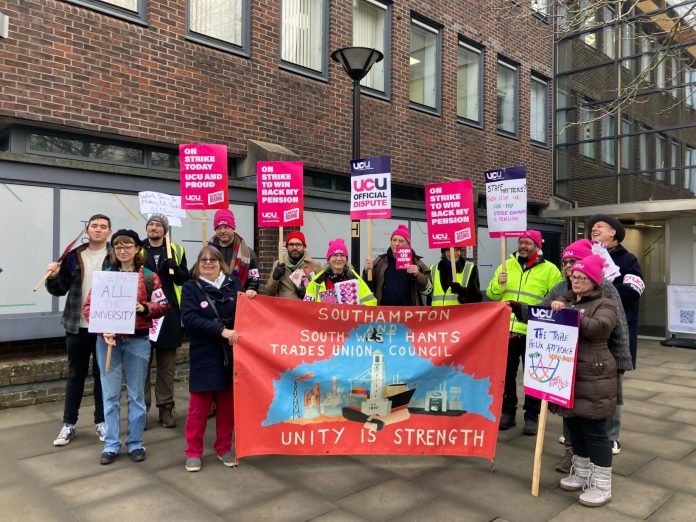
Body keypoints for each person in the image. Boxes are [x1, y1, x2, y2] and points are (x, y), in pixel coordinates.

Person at [511, 239, 632, 473]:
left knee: (593, 416)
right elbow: (542, 313)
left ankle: (597, 463)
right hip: (566, 362)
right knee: (571, 414)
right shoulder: (560, 289)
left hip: (595, 364)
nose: (568, 267)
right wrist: (520, 309)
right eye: (565, 262)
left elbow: (619, 328)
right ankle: (573, 454)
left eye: (574, 262)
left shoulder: (605, 288)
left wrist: (621, 361)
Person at [83, 229, 170, 465]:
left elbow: (163, 306)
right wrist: (102, 329)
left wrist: (143, 308)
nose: (122, 250)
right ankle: (111, 444)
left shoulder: (150, 277)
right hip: (108, 342)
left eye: (127, 246)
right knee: (110, 396)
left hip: (138, 341)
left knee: (136, 396)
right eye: (118, 246)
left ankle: (135, 443)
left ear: (137, 249)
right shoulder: (105, 276)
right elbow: (89, 307)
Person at [550, 254, 619, 508]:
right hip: (568, 372)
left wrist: (568, 313)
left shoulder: (606, 304)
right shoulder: (563, 300)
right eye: (573, 276)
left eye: (582, 277)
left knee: (596, 431)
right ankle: (581, 472)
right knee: (575, 426)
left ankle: (602, 485)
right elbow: (542, 317)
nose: (575, 280)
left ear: (594, 280)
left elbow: (599, 328)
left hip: (594, 373)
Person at [180, 246, 257, 472]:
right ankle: (193, 452)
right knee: (198, 408)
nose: (208, 263)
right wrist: (220, 331)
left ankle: (224, 447)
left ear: (220, 262)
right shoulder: (191, 287)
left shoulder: (233, 284)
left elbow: (246, 313)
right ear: (198, 263)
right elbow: (190, 319)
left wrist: (250, 298)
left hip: (232, 355)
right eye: (203, 259)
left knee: (227, 407)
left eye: (212, 259)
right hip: (205, 354)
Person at [486, 230, 563, 435]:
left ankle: (531, 416)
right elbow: (493, 295)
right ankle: (508, 413)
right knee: (507, 375)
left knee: (534, 376)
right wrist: (497, 283)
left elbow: (557, 298)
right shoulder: (506, 264)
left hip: (534, 331)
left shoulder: (551, 270)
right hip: (507, 330)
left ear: (537, 246)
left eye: (528, 243)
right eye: (521, 242)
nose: (523, 246)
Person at [45, 214, 112, 446]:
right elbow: (59, 290)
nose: (98, 230)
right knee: (75, 375)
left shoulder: (115, 255)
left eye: (103, 227)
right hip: (77, 325)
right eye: (94, 226)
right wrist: (52, 277)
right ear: (88, 229)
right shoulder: (73, 256)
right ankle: (68, 424)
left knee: (103, 376)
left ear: (109, 232)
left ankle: (101, 422)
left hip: (105, 328)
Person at [587, 214, 643, 455]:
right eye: (592, 228)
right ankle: (583, 429)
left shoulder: (628, 260)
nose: (594, 229)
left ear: (614, 234)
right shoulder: (588, 256)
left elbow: (633, 290)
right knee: (587, 384)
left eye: (600, 226)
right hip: (589, 333)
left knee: (612, 388)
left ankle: (611, 436)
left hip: (615, 334)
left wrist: (601, 290)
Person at [141, 214, 189, 429]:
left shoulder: (176, 250)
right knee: (140, 365)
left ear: (165, 230)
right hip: (142, 312)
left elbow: (184, 279)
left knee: (166, 366)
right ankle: (140, 409)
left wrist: (175, 268)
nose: (153, 228)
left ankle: (166, 408)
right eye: (150, 224)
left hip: (168, 313)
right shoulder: (137, 249)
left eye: (158, 225)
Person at [363, 224, 431, 305]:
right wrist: (367, 272)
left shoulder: (417, 263)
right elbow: (368, 289)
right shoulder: (380, 261)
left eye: (401, 241)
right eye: (394, 240)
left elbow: (428, 291)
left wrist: (417, 274)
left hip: (409, 314)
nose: (397, 243)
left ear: (408, 244)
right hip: (384, 313)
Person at [304, 239, 377, 305]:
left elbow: (371, 301)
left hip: (349, 319)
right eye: (335, 255)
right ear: (329, 259)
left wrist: (355, 308)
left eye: (342, 255)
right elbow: (306, 306)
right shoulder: (317, 281)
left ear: (346, 259)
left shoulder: (354, 279)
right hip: (324, 319)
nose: (339, 259)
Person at [208, 208, 260, 292]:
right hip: (213, 297)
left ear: (233, 227)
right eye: (219, 228)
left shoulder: (248, 252)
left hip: (238, 298)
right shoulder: (207, 252)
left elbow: (254, 278)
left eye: (226, 227)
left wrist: (251, 290)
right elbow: (196, 274)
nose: (222, 231)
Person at [265, 231, 320, 300]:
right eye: (291, 244)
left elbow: (321, 294)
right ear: (287, 247)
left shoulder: (314, 265)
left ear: (304, 247)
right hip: (284, 309)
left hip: (305, 309)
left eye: (298, 244)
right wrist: (275, 279)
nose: (294, 247)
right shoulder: (279, 264)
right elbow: (268, 294)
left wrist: (308, 294)